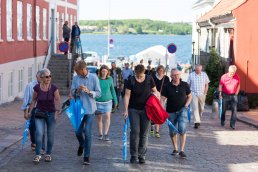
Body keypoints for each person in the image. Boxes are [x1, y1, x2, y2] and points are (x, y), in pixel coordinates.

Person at [123, 64, 159, 164]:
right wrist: (125, 110)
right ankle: (133, 155)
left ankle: (141, 155)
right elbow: (127, 95)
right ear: (135, 72)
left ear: (144, 73)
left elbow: (156, 92)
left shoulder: (149, 79)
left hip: (146, 110)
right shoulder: (131, 80)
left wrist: (156, 100)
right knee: (135, 131)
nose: (139, 77)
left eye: (141, 75)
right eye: (137, 75)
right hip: (133, 109)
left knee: (144, 133)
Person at [26, 68, 61, 164]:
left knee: (50, 134)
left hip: (51, 113)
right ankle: (37, 155)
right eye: (46, 76)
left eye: (50, 76)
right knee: (39, 133)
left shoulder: (54, 88)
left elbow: (57, 100)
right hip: (39, 113)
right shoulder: (37, 88)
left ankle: (48, 154)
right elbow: (33, 100)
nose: (49, 78)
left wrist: (57, 112)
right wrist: (30, 111)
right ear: (41, 78)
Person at [71, 60, 101, 165]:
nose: (76, 72)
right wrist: (77, 91)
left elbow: (99, 93)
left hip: (90, 110)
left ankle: (86, 156)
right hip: (79, 109)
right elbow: (72, 93)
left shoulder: (94, 77)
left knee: (87, 132)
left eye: (77, 70)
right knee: (78, 132)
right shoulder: (76, 78)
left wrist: (89, 92)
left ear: (83, 69)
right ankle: (82, 144)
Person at [160, 68, 192, 159]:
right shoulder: (167, 86)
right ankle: (175, 149)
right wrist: (162, 109)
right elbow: (162, 99)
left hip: (183, 110)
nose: (176, 76)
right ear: (171, 76)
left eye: (177, 74)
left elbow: (189, 96)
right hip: (170, 111)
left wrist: (186, 105)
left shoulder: (185, 85)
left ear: (180, 75)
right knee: (172, 131)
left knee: (182, 129)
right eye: (174, 75)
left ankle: (182, 150)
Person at [21, 70, 45, 153]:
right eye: (40, 77)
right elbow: (26, 99)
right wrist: (25, 111)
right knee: (32, 127)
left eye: (43, 77)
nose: (42, 78)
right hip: (33, 109)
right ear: (37, 77)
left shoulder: (46, 85)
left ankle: (41, 146)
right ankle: (33, 141)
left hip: (43, 109)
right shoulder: (30, 85)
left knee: (41, 127)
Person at [96, 65, 118, 141]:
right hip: (98, 102)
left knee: (108, 117)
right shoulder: (97, 79)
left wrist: (116, 100)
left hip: (108, 101)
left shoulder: (110, 79)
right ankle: (100, 134)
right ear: (100, 72)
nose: (104, 73)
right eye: (103, 71)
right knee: (99, 119)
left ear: (108, 72)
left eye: (106, 71)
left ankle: (106, 134)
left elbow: (112, 90)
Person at [187, 64, 210, 129]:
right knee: (195, 108)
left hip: (202, 94)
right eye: (197, 70)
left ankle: (198, 119)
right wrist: (188, 93)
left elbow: (207, 85)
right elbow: (188, 85)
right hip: (193, 94)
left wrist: (205, 93)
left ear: (201, 69)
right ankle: (196, 122)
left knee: (201, 108)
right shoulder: (191, 75)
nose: (198, 71)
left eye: (199, 70)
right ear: (195, 69)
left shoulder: (204, 75)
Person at [150, 65, 170, 138]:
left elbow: (168, 88)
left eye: (162, 70)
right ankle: (152, 126)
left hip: (162, 97)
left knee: (159, 113)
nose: (160, 72)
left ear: (164, 71)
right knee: (153, 112)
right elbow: (150, 87)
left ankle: (157, 131)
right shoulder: (153, 77)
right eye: (159, 70)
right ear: (157, 70)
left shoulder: (166, 78)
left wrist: (166, 97)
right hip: (154, 96)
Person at [219, 65, 240, 129]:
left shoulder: (237, 76)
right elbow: (220, 85)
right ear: (229, 71)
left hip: (234, 95)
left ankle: (232, 124)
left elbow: (238, 85)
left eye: (233, 72)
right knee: (224, 110)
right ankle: (222, 120)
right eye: (231, 72)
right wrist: (220, 94)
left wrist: (237, 92)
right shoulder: (224, 76)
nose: (232, 74)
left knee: (234, 110)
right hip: (225, 95)